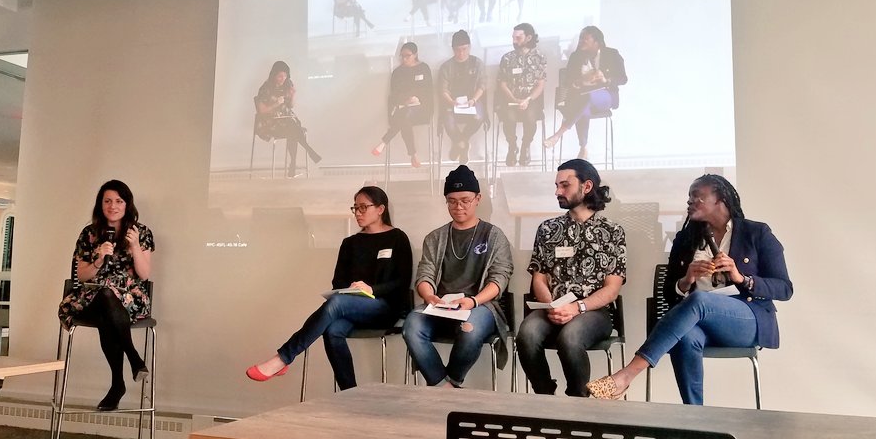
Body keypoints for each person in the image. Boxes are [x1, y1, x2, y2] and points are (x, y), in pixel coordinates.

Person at [588, 174, 793, 404]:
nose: (690, 201)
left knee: (700, 300)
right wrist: (687, 279)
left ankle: (627, 375)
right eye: (689, 196)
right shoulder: (686, 239)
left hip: (748, 319)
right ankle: (695, 417)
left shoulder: (756, 233)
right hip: (702, 323)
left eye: (698, 196)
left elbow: (784, 288)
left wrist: (741, 277)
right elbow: (668, 293)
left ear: (721, 198)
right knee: (685, 337)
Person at [246, 186, 413, 390]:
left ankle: (283, 357)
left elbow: (402, 283)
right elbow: (338, 283)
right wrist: (351, 290)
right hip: (352, 306)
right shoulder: (350, 243)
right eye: (355, 208)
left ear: (380, 209)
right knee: (332, 330)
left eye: (363, 207)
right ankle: (350, 394)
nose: (358, 213)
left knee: (337, 304)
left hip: (385, 308)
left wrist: (371, 290)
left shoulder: (398, 238)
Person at [516, 160, 626, 396]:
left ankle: (577, 401)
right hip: (552, 308)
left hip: (593, 311)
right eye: (557, 185)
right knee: (526, 333)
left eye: (565, 185)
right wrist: (553, 306)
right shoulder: (547, 229)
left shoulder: (613, 232)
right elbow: (539, 278)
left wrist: (576, 307)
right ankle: (545, 394)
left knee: (570, 338)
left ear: (587, 186)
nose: (558, 191)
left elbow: (612, 289)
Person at [403, 165, 513, 387]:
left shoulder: (494, 235)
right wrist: (430, 297)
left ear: (478, 198)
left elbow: (499, 278)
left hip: (480, 306)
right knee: (411, 325)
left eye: (465, 200)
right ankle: (444, 386)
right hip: (441, 306)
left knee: (469, 329)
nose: (458, 206)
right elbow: (425, 274)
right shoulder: (435, 237)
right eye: (452, 201)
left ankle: (450, 384)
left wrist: (473, 301)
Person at [57, 180, 155, 411]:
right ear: (101, 205)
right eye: (108, 201)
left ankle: (117, 385)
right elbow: (81, 275)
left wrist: (135, 248)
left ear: (127, 204)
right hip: (91, 296)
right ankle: (134, 359)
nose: (113, 206)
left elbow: (144, 273)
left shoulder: (141, 233)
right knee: (104, 295)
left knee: (107, 310)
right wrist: (99, 260)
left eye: (119, 201)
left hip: (129, 298)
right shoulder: (89, 233)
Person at [544, 26, 627, 160]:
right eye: (581, 38)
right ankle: (583, 148)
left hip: (605, 96)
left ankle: (558, 135)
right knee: (584, 107)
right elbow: (568, 81)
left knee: (586, 98)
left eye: (585, 38)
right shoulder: (576, 57)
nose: (581, 41)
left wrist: (606, 79)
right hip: (582, 98)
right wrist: (581, 81)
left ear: (596, 42)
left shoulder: (612, 54)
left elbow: (623, 78)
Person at [254, 60, 322, 177]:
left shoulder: (287, 84)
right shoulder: (265, 88)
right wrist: (276, 103)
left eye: (285, 76)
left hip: (286, 120)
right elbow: (262, 111)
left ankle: (294, 164)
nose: (283, 78)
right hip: (271, 123)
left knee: (292, 128)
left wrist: (293, 94)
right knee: (293, 128)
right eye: (280, 76)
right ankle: (307, 152)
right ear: (274, 74)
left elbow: (290, 106)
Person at [372, 42, 433, 168]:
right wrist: (405, 101)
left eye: (407, 56)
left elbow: (429, 91)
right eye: (402, 56)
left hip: (422, 110)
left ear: (415, 54)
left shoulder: (424, 68)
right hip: (403, 108)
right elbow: (393, 95)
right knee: (404, 116)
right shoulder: (397, 72)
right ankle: (413, 155)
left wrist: (417, 98)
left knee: (403, 116)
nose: (404, 59)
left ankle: (384, 142)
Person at [497, 23, 546, 167]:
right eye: (513, 37)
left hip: (531, 100)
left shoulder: (540, 57)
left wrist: (528, 99)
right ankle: (512, 146)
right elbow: (502, 84)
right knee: (509, 118)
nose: (514, 41)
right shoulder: (507, 58)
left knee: (531, 118)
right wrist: (514, 99)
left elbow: (540, 85)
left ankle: (525, 146)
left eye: (518, 38)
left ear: (528, 37)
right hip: (511, 99)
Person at [437, 30, 486, 165]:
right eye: (458, 50)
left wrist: (474, 100)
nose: (461, 53)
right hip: (452, 102)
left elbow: (482, 86)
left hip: (473, 101)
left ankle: (460, 142)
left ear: (469, 47)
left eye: (464, 49)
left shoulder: (477, 63)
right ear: (453, 50)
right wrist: (452, 102)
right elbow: (443, 90)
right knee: (448, 121)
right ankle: (463, 146)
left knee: (479, 117)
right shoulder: (446, 66)